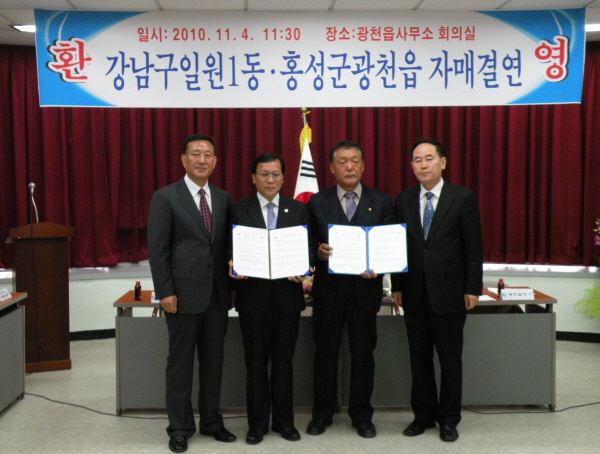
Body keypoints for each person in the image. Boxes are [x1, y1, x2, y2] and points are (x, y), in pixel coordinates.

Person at [148, 134, 236, 453]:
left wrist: (233, 284)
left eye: (208, 154)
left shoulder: (223, 198)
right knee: (180, 365)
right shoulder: (166, 197)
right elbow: (158, 249)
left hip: (217, 296)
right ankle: (180, 427)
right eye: (195, 154)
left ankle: (211, 422)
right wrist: (165, 292)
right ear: (183, 160)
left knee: (213, 363)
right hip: (181, 296)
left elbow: (226, 246)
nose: (202, 159)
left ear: (215, 161)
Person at [391, 138, 483, 443]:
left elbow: (473, 248)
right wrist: (397, 285)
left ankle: (449, 419)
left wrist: (472, 288)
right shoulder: (403, 199)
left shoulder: (463, 198)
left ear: (442, 162)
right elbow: (399, 247)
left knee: (449, 361)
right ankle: (423, 416)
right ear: (411, 166)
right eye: (417, 160)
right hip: (414, 293)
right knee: (419, 360)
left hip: (450, 294)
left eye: (429, 158)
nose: (423, 165)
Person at [306, 140, 394, 439]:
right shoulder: (317, 202)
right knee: (325, 354)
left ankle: (361, 415)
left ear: (364, 166)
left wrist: (379, 265)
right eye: (342, 161)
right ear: (332, 168)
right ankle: (322, 413)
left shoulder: (381, 202)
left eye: (355, 161)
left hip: (365, 291)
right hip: (328, 292)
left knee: (363, 355)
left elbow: (388, 246)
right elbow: (307, 244)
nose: (349, 167)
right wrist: (317, 253)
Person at [229, 153, 310, 445]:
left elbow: (309, 248)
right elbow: (228, 249)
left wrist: (307, 266)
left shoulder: (298, 209)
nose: (270, 180)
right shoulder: (238, 210)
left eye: (276, 174)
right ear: (253, 178)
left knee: (284, 363)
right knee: (255, 364)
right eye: (264, 174)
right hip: (253, 300)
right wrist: (232, 265)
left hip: (288, 300)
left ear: (284, 178)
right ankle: (257, 425)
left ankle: (285, 422)